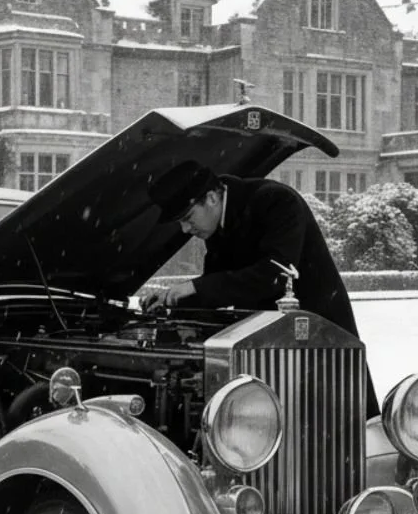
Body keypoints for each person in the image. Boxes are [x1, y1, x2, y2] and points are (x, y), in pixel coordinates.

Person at [141, 162, 380, 417]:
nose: (185, 230)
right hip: (272, 345)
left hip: (319, 337)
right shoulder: (219, 222)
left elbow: (273, 275)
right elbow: (217, 287)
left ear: (211, 198)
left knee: (337, 426)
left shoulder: (276, 200)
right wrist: (171, 303)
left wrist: (194, 287)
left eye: (187, 218)